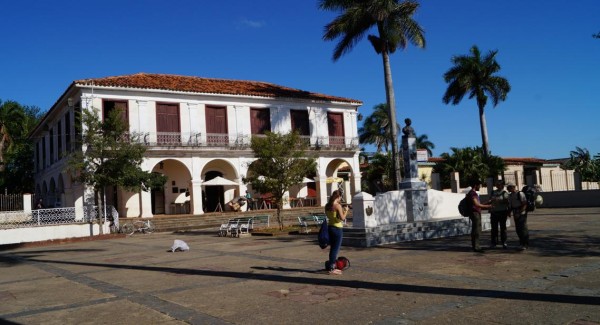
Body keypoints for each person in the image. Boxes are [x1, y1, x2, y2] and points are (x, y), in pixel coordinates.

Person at [325, 190, 349, 275]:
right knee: (336, 248)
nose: (340, 199)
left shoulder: (327, 206)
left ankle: (332, 265)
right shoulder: (337, 206)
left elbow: (333, 217)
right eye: (340, 197)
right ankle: (332, 268)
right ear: (338, 197)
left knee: (332, 248)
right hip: (337, 229)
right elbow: (342, 218)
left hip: (330, 227)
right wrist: (346, 211)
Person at [467, 179, 491, 253]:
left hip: (476, 212)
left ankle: (476, 246)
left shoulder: (473, 193)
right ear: (475, 185)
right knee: (476, 230)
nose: (480, 187)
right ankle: (476, 247)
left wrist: (488, 202)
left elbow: (478, 204)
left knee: (477, 229)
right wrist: (488, 206)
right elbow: (477, 205)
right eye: (479, 185)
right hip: (475, 213)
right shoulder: (473, 193)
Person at [507, 182, 529, 250]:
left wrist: (519, 213)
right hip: (515, 212)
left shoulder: (520, 194)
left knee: (522, 228)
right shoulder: (510, 195)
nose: (508, 189)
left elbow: (524, 204)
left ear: (513, 187)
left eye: (509, 187)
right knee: (518, 228)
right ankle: (521, 242)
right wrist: (509, 212)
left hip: (521, 212)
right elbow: (511, 205)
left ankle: (525, 244)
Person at [489, 180, 510, 249]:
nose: (497, 185)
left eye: (499, 184)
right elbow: (490, 200)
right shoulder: (493, 192)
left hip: (502, 212)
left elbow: (507, 202)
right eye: (496, 184)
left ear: (502, 185)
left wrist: (500, 200)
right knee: (494, 228)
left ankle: (504, 242)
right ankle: (494, 242)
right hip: (494, 212)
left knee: (503, 228)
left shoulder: (504, 193)